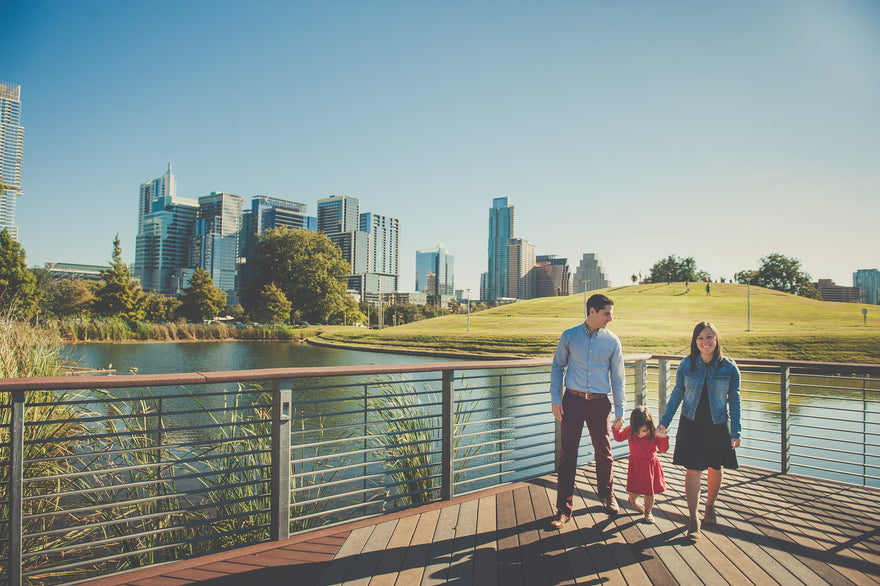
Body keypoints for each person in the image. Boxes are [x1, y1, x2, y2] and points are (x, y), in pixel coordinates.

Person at [658, 321, 741, 538]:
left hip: (718, 423)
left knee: (715, 467)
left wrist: (736, 431)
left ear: (717, 339)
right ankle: (693, 517)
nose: (706, 342)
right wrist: (664, 421)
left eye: (709, 337)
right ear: (695, 342)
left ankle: (710, 506)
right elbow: (677, 394)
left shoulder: (729, 367)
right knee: (693, 470)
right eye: (701, 338)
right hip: (691, 422)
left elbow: (735, 400)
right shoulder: (687, 364)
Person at [549, 293, 626, 527]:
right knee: (568, 455)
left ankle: (607, 494)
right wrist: (555, 399)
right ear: (592, 311)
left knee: (604, 452)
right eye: (606, 314)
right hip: (571, 402)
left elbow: (618, 378)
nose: (610, 319)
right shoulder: (569, 336)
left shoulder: (613, 341)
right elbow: (557, 367)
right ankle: (563, 508)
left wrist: (621, 410)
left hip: (600, 403)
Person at [612, 406, 668, 523]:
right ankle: (633, 503)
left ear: (649, 426)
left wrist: (663, 437)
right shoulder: (629, 431)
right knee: (633, 493)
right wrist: (616, 428)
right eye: (637, 432)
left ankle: (648, 511)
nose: (641, 434)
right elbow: (618, 438)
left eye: (644, 431)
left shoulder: (654, 433)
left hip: (650, 465)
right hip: (636, 465)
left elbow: (663, 448)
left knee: (649, 492)